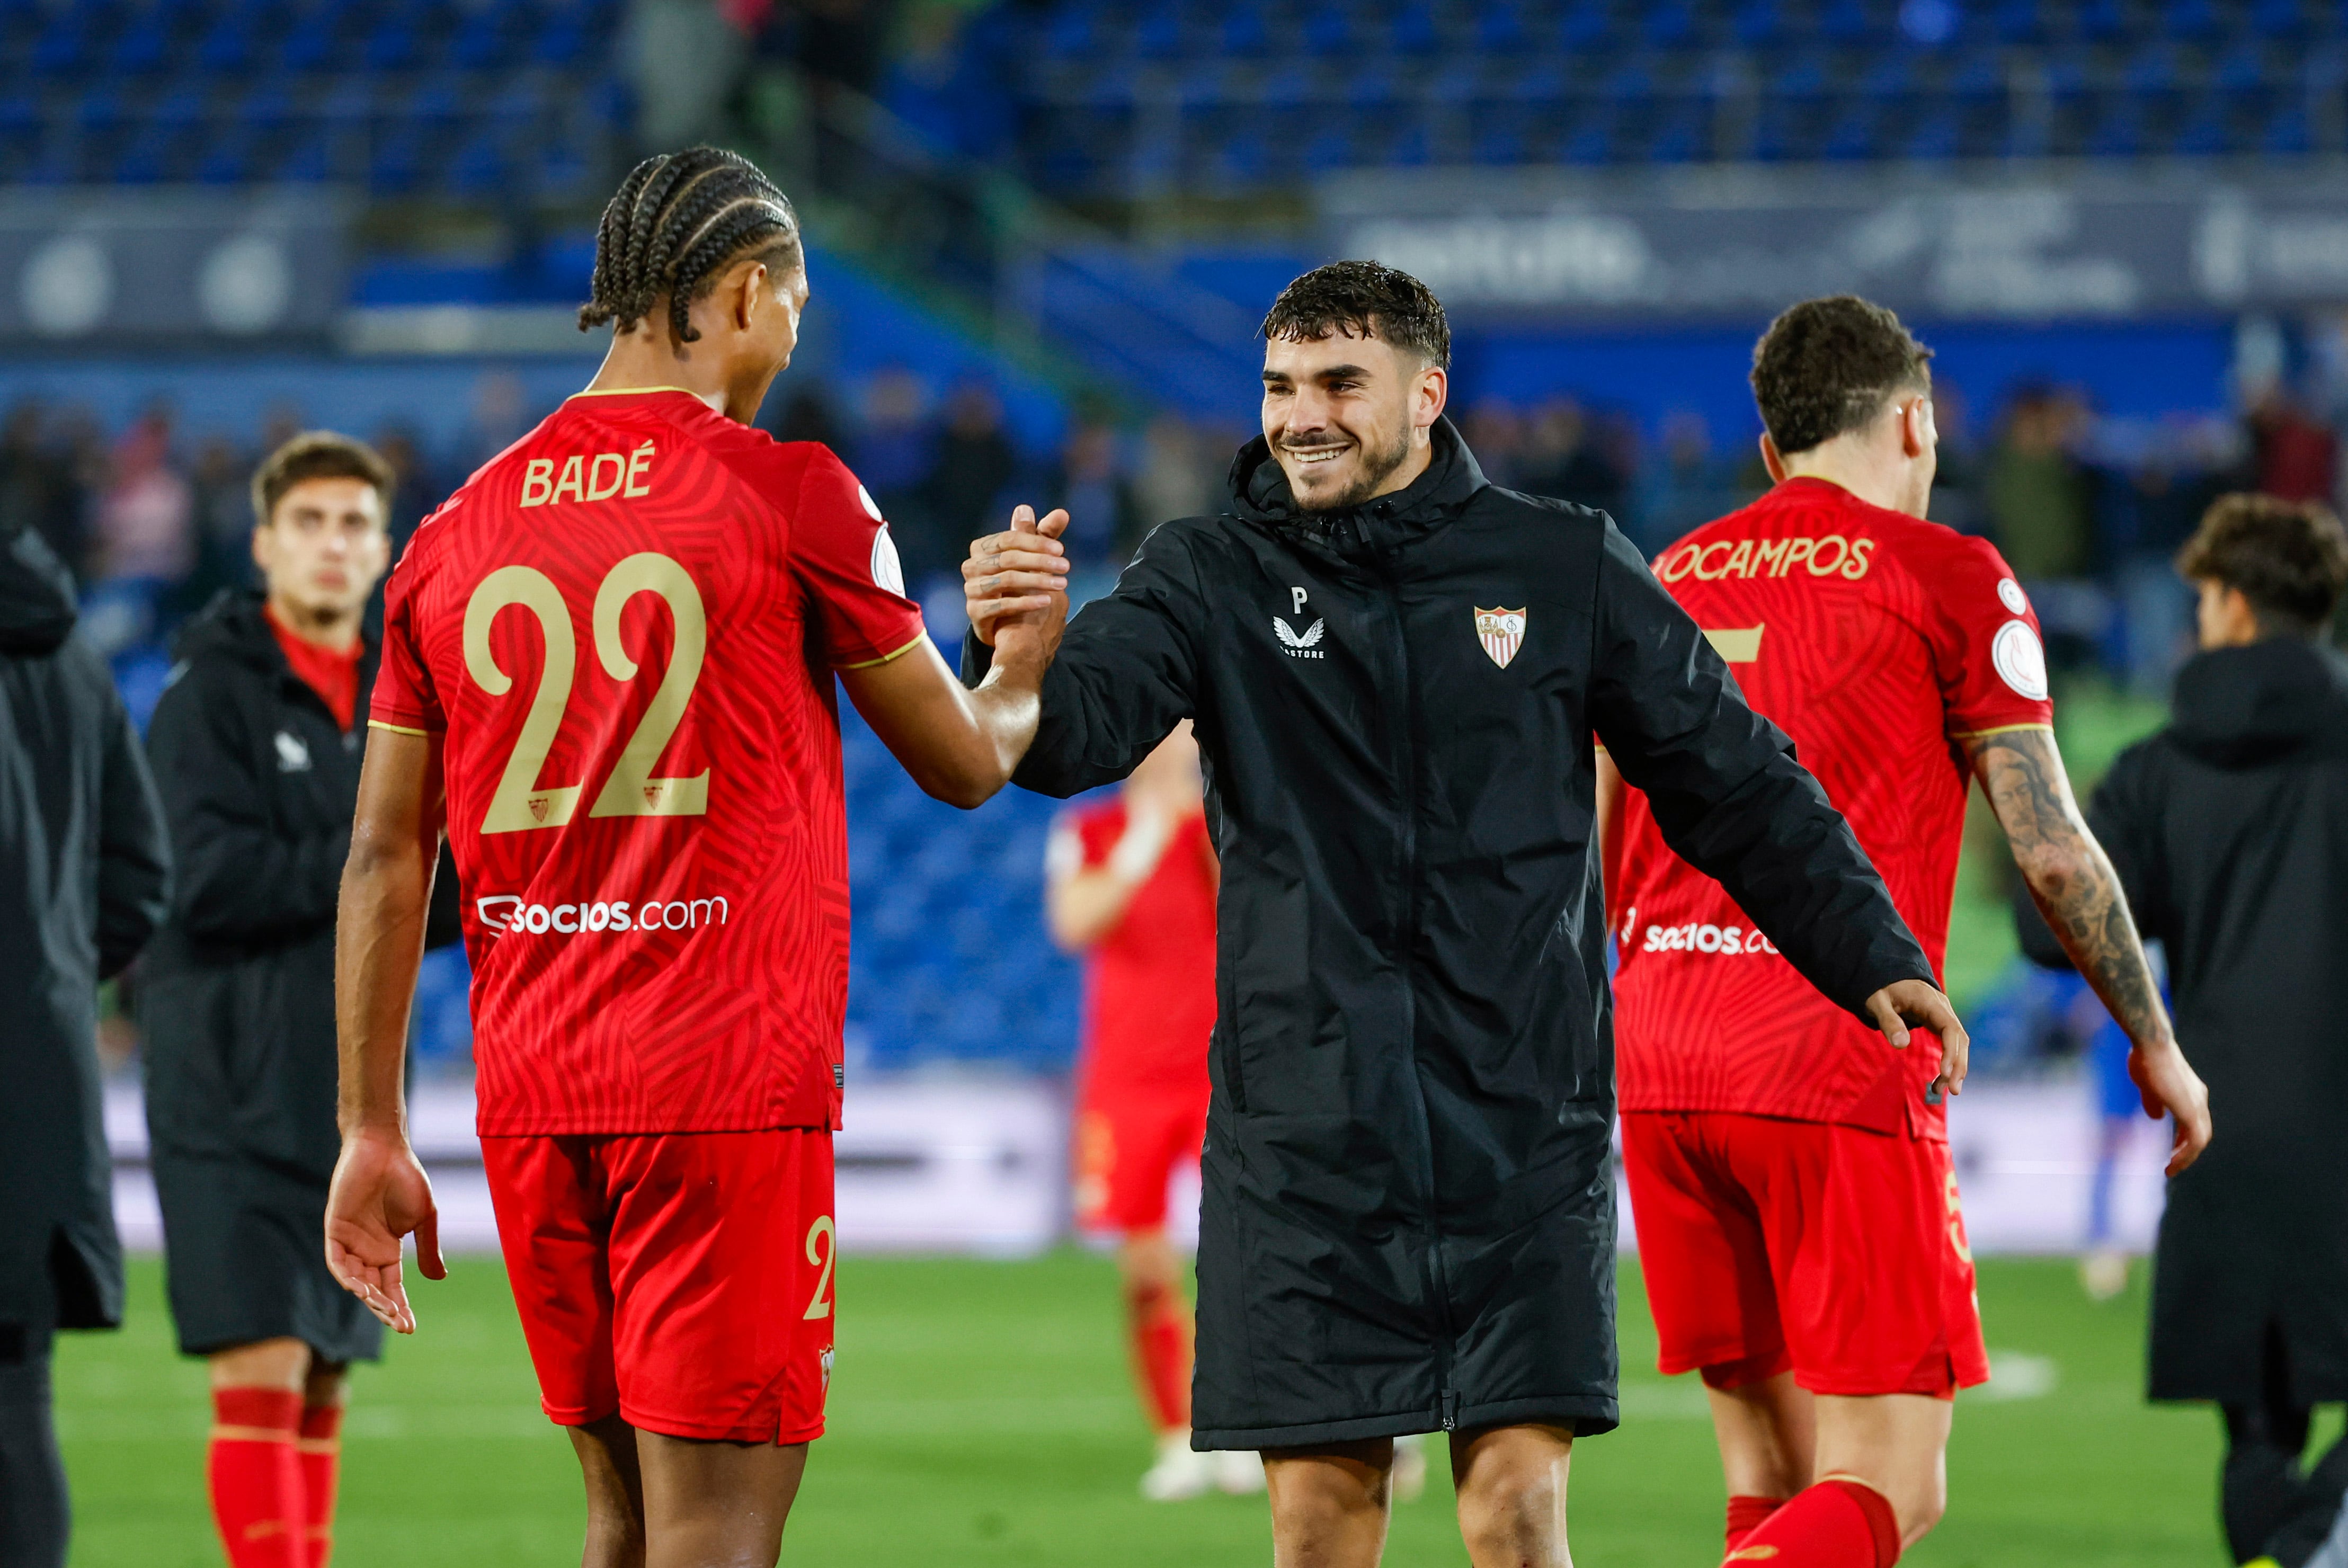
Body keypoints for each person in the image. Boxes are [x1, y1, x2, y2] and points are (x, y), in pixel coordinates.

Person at [959, 260, 1968, 1568]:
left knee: (1513, 1513)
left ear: (1427, 394)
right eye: (1277, 387)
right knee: (1322, 1522)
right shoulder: (1204, 573)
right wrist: (1021, 669)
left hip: (1516, 1127)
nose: (1298, 415)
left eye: (1338, 383)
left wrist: (1866, 947)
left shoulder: (1558, 561)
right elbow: (1075, 730)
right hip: (1303, 1139)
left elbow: (1733, 775)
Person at [323, 145, 1068, 1568]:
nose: (794, 340)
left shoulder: (448, 535)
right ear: (737, 293)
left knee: (619, 1526)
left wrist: (369, 1126)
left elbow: (381, 854)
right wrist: (1022, 659)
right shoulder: (794, 494)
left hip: (536, 1091)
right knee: (717, 1536)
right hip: (723, 1091)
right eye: (793, 305)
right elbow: (970, 763)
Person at [1603, 295, 2212, 1567]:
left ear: (1771, 453)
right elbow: (2046, 843)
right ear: (1914, 422)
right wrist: (2151, 1038)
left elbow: (1584, 826)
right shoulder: (1948, 575)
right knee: (1891, 1486)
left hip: (1658, 1058)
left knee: (1767, 1477)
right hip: (1834, 1048)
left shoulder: (1662, 575)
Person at [140, 432, 458, 1568]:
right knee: (264, 1360)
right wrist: (372, 860)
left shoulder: (401, 698)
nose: (333, 545)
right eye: (310, 523)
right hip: (224, 1083)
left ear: (382, 551)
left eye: (354, 525)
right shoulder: (206, 693)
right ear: (266, 543)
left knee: (324, 1373)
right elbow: (201, 881)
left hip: (345, 1099)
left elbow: (440, 898)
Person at [2033, 493, 2348, 1568]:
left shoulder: (2157, 771)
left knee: (2255, 1425)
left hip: (2221, 1132)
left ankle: (2288, 1548)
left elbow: (2051, 934)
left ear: (2233, 607)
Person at [0, 514, 172, 1568]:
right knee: (18, 1407)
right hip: (39, 1089)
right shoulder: (66, 647)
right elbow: (139, 876)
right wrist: (50, 985)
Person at [1048, 723, 1251, 1501]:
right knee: (1143, 1268)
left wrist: (1195, 823)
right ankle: (1176, 1436)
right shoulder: (1091, 830)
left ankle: (1239, 1427)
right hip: (1126, 1081)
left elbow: (1250, 911)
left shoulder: (1223, 827)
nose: (1167, 751)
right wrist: (1142, 841)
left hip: (1216, 1072)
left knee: (1238, 1263)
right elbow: (1074, 922)